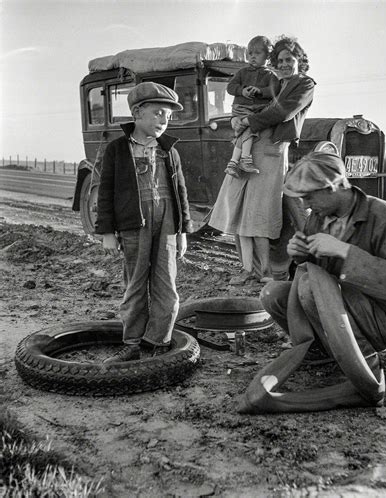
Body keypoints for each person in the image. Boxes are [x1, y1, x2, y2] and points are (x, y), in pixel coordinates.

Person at [237, 152, 386, 413]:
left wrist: (344, 252)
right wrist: (300, 253)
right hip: (337, 310)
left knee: (312, 288)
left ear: (333, 187)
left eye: (309, 196)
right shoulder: (320, 217)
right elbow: (312, 268)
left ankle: (364, 362)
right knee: (272, 293)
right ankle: (323, 352)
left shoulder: (383, 216)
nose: (304, 203)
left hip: (381, 321)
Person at [95, 82, 192, 363]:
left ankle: (157, 343)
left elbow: (181, 193)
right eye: (159, 113)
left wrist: (183, 231)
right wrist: (107, 232)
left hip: (168, 225)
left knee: (167, 286)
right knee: (136, 284)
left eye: (169, 116)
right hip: (133, 224)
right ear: (137, 113)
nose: (164, 120)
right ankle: (133, 342)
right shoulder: (116, 150)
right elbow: (105, 192)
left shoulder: (169, 151)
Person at [209, 36, 315, 285]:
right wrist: (237, 120)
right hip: (250, 145)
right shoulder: (274, 81)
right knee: (239, 208)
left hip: (271, 151)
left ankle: (266, 271)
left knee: (260, 214)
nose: (285, 64)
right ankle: (248, 269)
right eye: (280, 60)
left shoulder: (304, 85)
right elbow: (249, 102)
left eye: (290, 59)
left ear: (300, 60)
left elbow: (282, 112)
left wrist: (245, 121)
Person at [224, 35, 280, 178]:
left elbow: (275, 91)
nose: (252, 57)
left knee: (244, 132)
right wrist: (242, 90)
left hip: (256, 110)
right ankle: (245, 159)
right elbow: (230, 87)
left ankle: (232, 163)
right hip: (241, 108)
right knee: (250, 129)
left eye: (257, 53)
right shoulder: (242, 72)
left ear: (267, 57)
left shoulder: (271, 76)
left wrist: (260, 91)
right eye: (250, 53)